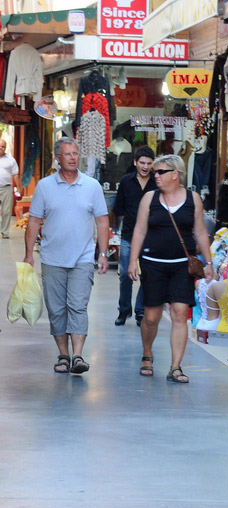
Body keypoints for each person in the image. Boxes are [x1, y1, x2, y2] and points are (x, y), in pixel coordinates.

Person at [24, 137, 109, 374]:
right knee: (57, 308)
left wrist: (102, 253)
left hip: (82, 257)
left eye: (75, 153)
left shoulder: (92, 186)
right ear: (58, 158)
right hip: (52, 258)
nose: (73, 158)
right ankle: (63, 355)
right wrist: (29, 254)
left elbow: (102, 220)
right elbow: (33, 221)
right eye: (67, 154)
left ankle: (78, 356)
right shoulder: (44, 186)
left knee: (78, 306)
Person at [128, 155, 213, 384]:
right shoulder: (149, 198)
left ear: (175, 174)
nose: (155, 175)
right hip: (152, 264)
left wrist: (209, 262)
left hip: (181, 267)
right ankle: (147, 353)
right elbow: (139, 231)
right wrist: (132, 261)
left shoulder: (193, 199)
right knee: (152, 317)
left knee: (179, 313)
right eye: (154, 172)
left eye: (160, 172)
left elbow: (200, 232)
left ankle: (176, 366)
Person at [111, 145, 156, 326]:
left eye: (149, 163)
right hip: (129, 234)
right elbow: (118, 207)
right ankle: (123, 310)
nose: (145, 167)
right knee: (125, 275)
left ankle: (140, 311)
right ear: (135, 162)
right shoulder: (126, 181)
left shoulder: (156, 182)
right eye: (142, 163)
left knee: (147, 276)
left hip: (151, 235)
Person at [0, 139, 21, 239]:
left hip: (6, 188)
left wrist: (19, 188)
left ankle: (4, 232)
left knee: (6, 211)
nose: (1, 148)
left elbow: (16, 175)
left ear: (5, 148)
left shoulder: (10, 160)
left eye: (3, 146)